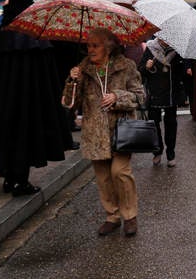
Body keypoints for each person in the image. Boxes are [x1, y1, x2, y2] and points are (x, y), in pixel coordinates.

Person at [0, 0, 71, 196]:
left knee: (5, 133)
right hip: (28, 100)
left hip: (0, 99)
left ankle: (9, 178)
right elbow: (46, 72)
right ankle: (20, 181)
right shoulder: (33, 35)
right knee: (25, 134)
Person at [62, 28, 145, 236]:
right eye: (88, 45)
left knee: (120, 172)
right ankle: (112, 215)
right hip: (95, 132)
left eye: (95, 45)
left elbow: (140, 96)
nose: (90, 50)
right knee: (103, 177)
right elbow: (69, 103)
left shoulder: (125, 66)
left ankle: (130, 215)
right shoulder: (83, 68)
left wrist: (117, 97)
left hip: (121, 131)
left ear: (108, 46)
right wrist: (72, 81)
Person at [141, 37, 186, 167]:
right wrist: (147, 67)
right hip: (154, 93)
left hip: (171, 93)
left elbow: (182, 73)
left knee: (171, 123)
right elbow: (140, 72)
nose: (166, 39)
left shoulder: (177, 51)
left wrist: (179, 65)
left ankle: (171, 152)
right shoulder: (150, 49)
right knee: (154, 124)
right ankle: (157, 151)